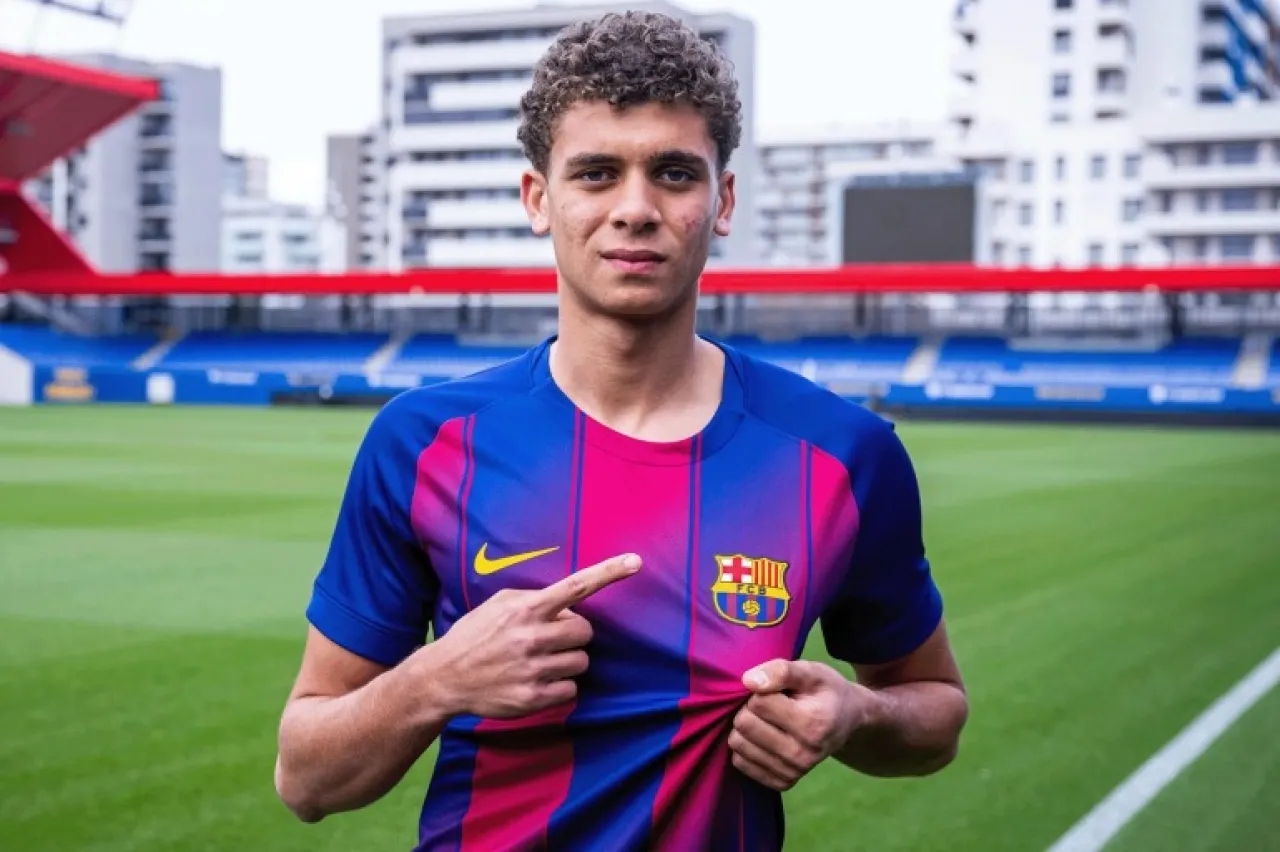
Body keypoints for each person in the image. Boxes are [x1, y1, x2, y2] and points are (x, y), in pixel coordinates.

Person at [273, 10, 968, 851]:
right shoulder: (422, 444)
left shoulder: (843, 456)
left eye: (673, 173)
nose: (635, 209)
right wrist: (435, 680)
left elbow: (935, 712)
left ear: (722, 201)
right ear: (539, 199)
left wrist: (856, 715)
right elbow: (306, 778)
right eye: (597, 173)